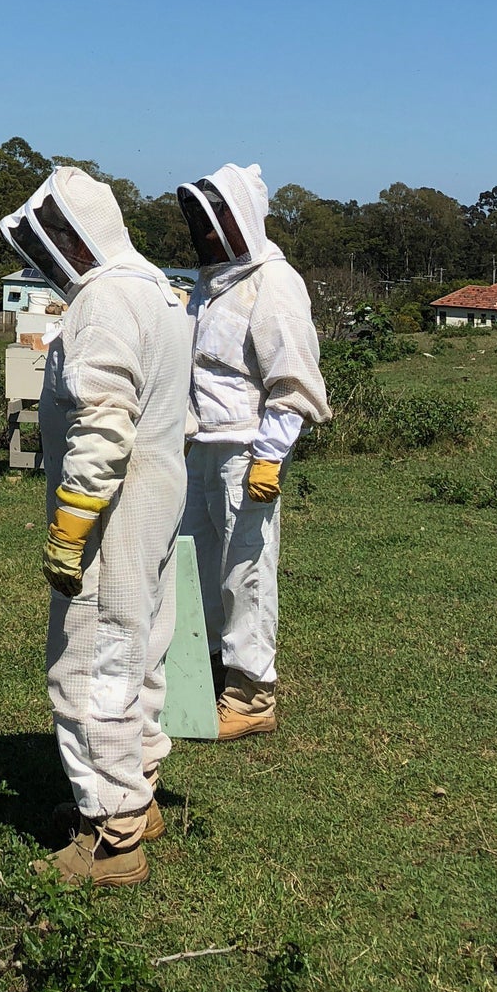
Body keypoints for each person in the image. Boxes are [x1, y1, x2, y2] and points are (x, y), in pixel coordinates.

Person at [0, 168, 192, 887]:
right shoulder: (155, 291)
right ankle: (135, 794)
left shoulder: (107, 298)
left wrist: (74, 519)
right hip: (154, 496)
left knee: (91, 662)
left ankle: (110, 837)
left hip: (112, 509)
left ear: (75, 236)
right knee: (138, 648)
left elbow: (105, 419)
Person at [176, 164, 330, 739]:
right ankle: (207, 672)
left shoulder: (275, 283)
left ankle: (251, 694)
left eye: (214, 224)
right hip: (199, 448)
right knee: (195, 561)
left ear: (241, 220)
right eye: (199, 224)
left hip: (247, 449)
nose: (205, 235)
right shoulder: (208, 286)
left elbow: (293, 379)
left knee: (246, 569)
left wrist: (270, 453)